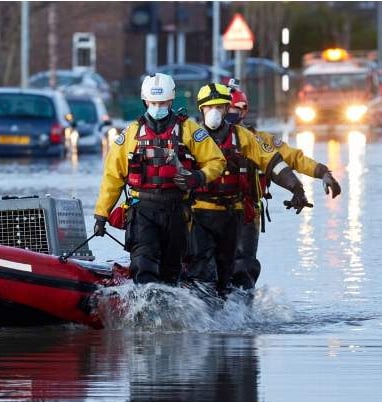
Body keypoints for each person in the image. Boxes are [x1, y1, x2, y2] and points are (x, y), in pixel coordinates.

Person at [93, 73, 226, 285]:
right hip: (142, 210)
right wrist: (102, 215)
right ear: (145, 101)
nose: (158, 107)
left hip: (177, 210)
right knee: (143, 263)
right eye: (154, 103)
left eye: (162, 102)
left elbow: (216, 161)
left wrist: (198, 176)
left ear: (171, 100)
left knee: (171, 269)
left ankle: (169, 309)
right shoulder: (131, 133)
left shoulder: (189, 129)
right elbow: (112, 176)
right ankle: (143, 309)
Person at [185, 83, 312, 294]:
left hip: (233, 215)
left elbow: (273, 163)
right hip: (199, 214)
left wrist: (296, 188)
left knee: (235, 271)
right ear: (201, 109)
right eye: (209, 107)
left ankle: (236, 317)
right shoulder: (189, 136)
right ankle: (204, 315)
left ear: (227, 108)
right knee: (202, 270)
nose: (214, 112)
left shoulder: (244, 137)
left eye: (219, 106)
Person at [225, 82, 341, 289]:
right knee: (201, 264)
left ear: (243, 111)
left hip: (246, 211)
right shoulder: (200, 138)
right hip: (206, 210)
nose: (226, 114)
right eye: (222, 109)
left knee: (243, 265)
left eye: (232, 109)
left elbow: (294, 159)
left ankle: (241, 310)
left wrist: (322, 172)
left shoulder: (259, 140)